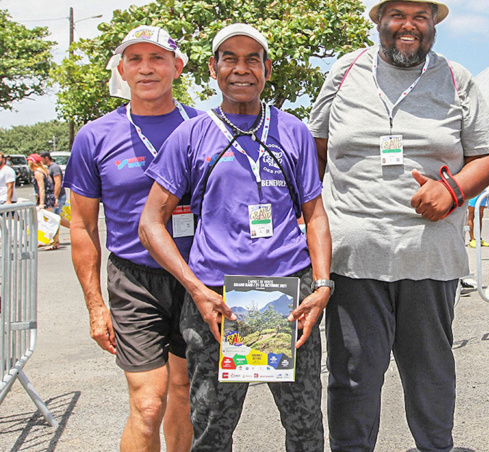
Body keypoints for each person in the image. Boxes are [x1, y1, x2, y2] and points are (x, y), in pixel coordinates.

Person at [309, 0, 489, 452]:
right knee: (352, 379)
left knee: (431, 378)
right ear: (380, 20)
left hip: (429, 258)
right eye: (398, 15)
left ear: (434, 24)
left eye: (420, 16)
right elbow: (315, 151)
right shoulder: (345, 72)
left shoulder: (457, 79)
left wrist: (453, 190)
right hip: (353, 258)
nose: (408, 25)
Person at [139, 23, 331, 452]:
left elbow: (315, 214)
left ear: (266, 69)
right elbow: (151, 222)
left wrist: (321, 285)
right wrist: (195, 288)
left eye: (252, 59)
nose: (241, 69)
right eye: (230, 58)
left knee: (304, 428)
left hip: (288, 297)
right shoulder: (192, 133)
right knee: (211, 427)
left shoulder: (293, 131)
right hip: (218, 301)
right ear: (213, 68)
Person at [64, 25, 199, 452]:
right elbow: (83, 227)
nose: (146, 69)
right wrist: (95, 307)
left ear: (176, 67)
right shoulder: (94, 136)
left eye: (157, 58)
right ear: (121, 70)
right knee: (147, 403)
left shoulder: (204, 126)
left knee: (184, 393)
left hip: (197, 280)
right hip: (134, 281)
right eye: (135, 60)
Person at [42, 151, 71, 247]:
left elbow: (58, 183)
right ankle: (73, 230)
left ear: (46, 158)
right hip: (55, 196)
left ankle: (55, 242)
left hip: (58, 196)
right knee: (56, 218)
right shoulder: (49, 168)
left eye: (41, 158)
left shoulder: (54, 167)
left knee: (54, 219)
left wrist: (55, 197)